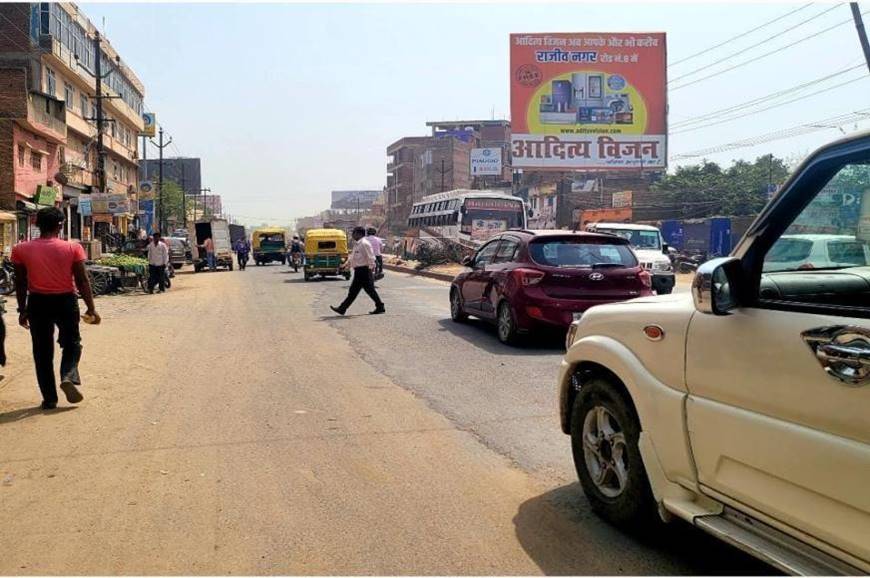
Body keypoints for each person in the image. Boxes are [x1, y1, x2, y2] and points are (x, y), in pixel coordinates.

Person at [11, 207, 100, 409]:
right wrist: (91, 308)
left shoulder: (20, 249)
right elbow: (82, 280)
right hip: (66, 301)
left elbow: (20, 282)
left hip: (37, 302)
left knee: (42, 352)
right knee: (72, 344)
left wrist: (22, 309)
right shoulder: (73, 248)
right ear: (60, 225)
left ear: (36, 224)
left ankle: (49, 398)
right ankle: (68, 375)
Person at [330, 226, 385, 316]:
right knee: (359, 291)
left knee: (363, 290)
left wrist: (371, 270)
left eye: (354, 233)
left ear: (359, 234)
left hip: (364, 270)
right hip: (359, 271)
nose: (352, 235)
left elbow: (371, 257)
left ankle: (342, 308)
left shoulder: (364, 244)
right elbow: (352, 258)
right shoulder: (357, 244)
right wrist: (345, 266)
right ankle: (380, 306)